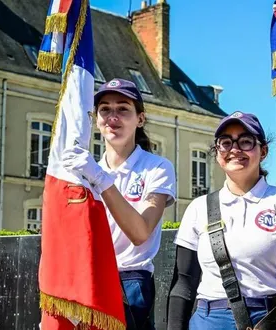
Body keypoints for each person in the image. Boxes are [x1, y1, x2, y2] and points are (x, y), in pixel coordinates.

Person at [166, 111, 276, 329]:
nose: (235, 149)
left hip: (268, 320)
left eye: (246, 142)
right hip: (208, 320)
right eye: (226, 143)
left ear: (263, 151)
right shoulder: (198, 208)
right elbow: (183, 284)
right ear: (217, 153)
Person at [62, 78, 176, 329]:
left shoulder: (157, 167)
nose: (113, 116)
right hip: (87, 278)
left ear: (140, 119)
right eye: (105, 109)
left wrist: (100, 179)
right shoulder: (84, 170)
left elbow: (140, 232)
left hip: (131, 282)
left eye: (123, 108)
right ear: (95, 118)